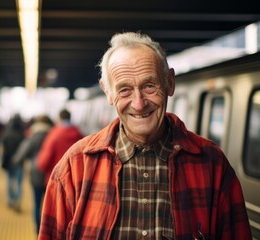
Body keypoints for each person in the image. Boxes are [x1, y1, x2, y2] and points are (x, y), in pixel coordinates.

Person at [38, 32, 252, 239]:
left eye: (149, 86)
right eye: (124, 90)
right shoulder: (74, 167)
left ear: (170, 82)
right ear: (108, 93)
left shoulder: (213, 165)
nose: (139, 104)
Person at [11, 115, 54, 233]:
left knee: (37, 203)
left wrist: (16, 160)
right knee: (52, 205)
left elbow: (22, 153)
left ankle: (39, 231)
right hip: (53, 174)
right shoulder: (54, 134)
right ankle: (50, 230)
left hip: (37, 174)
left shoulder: (34, 136)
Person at [36, 109, 83, 187]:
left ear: (59, 119)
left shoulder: (54, 134)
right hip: (75, 178)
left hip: (56, 178)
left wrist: (41, 166)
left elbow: (45, 159)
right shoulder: (79, 134)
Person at [0, 114, 25, 212]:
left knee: (10, 181)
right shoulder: (21, 134)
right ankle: (17, 201)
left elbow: (3, 149)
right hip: (19, 162)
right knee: (19, 182)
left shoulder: (6, 134)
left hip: (8, 161)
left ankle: (10, 200)